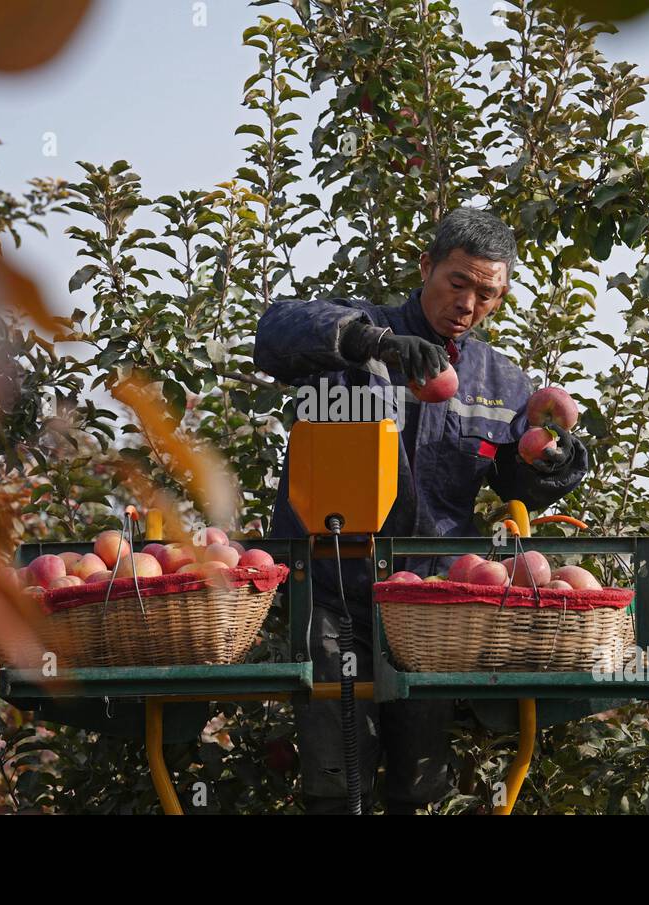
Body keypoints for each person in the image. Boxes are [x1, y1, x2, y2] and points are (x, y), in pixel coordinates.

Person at [253, 207, 589, 814]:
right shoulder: (362, 337)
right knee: (335, 784)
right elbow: (274, 330)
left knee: (421, 786)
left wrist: (554, 461)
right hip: (334, 595)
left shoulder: (501, 380)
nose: (468, 303)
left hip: (433, 609)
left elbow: (520, 479)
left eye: (487, 293)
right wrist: (373, 345)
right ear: (426, 266)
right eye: (457, 283)